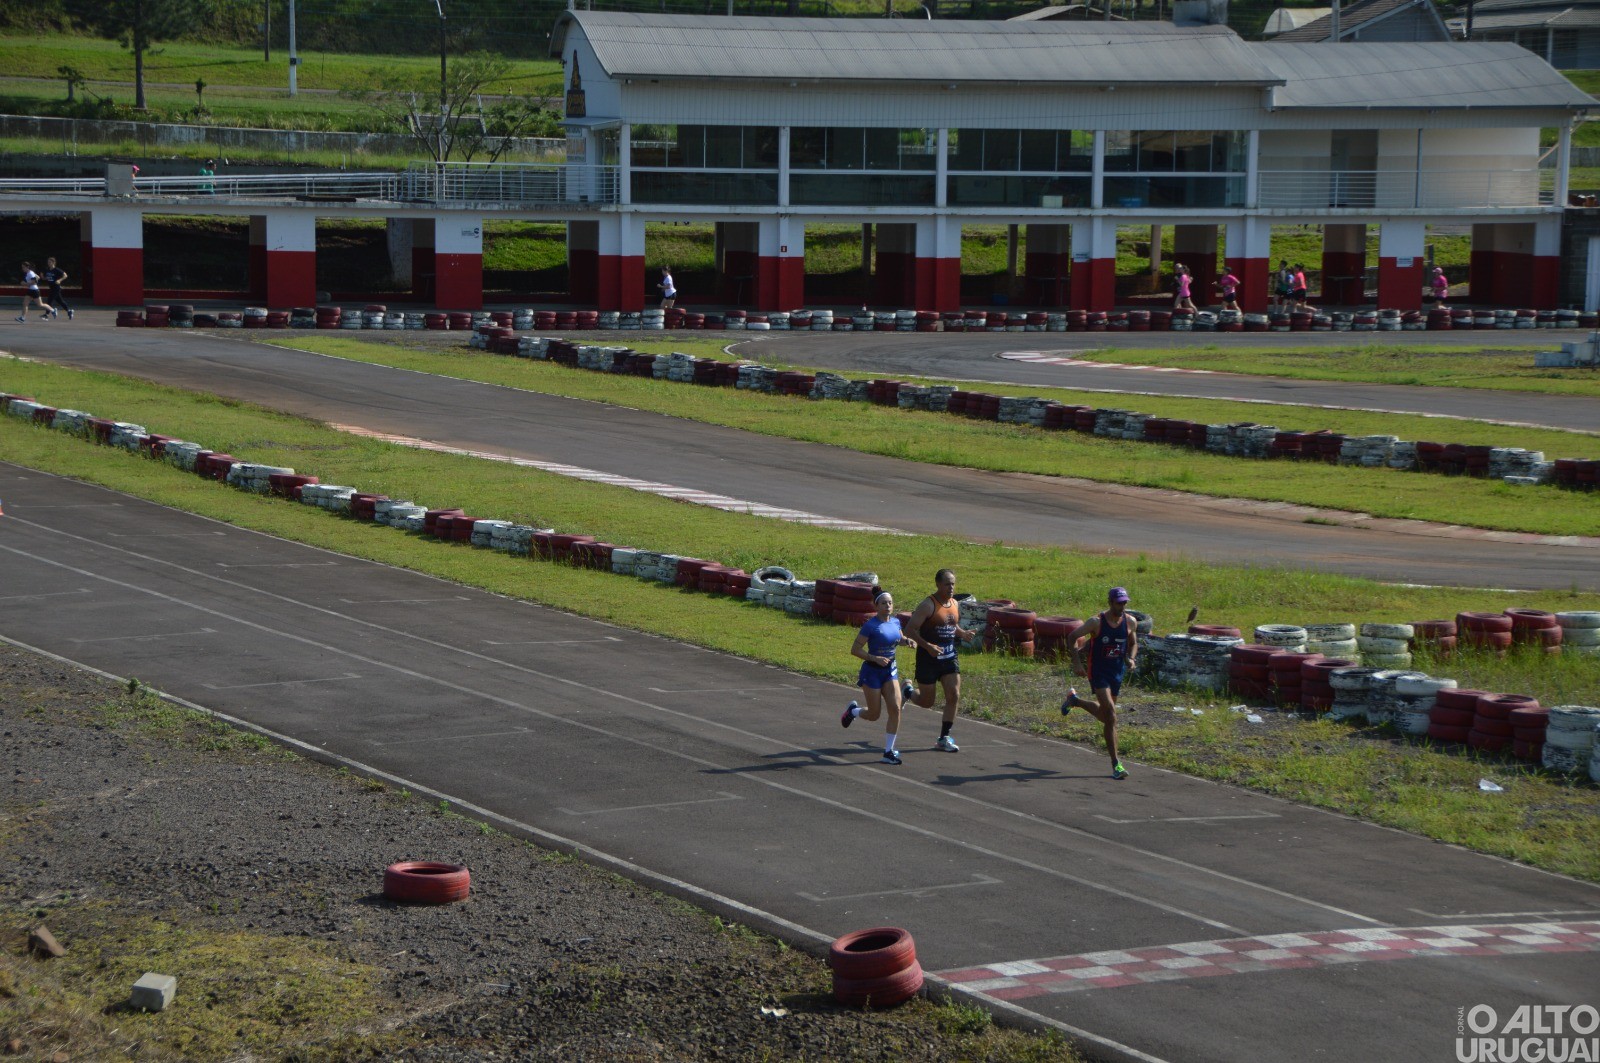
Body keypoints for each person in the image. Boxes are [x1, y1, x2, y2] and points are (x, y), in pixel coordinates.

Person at [1060, 586, 1137, 780]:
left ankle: (1075, 701)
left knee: (1107, 717)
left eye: (1125, 602)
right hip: (1098, 672)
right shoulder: (1096, 622)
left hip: (1116, 673)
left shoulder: (1130, 622)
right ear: (1110, 602)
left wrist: (1131, 658)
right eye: (1119, 603)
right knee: (1111, 714)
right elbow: (1072, 637)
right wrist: (1077, 663)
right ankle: (1116, 764)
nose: (1122, 606)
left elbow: (1133, 643)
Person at [900, 569, 979, 753]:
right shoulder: (928, 605)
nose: (951, 587)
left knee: (954, 695)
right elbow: (910, 630)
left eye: (953, 583)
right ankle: (908, 691)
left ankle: (944, 738)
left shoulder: (954, 603)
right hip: (928, 658)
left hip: (949, 657)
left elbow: (952, 625)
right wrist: (928, 647)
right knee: (927, 702)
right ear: (937, 584)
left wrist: (963, 633)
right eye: (947, 584)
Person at [840, 590, 916, 765]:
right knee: (874, 714)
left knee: (895, 709)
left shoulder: (896, 622)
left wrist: (907, 641)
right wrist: (875, 658)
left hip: (890, 672)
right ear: (876, 606)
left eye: (890, 603)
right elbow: (855, 649)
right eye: (884, 603)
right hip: (872, 672)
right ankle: (853, 711)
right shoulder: (870, 626)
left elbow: (899, 638)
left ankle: (888, 752)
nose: (888, 606)